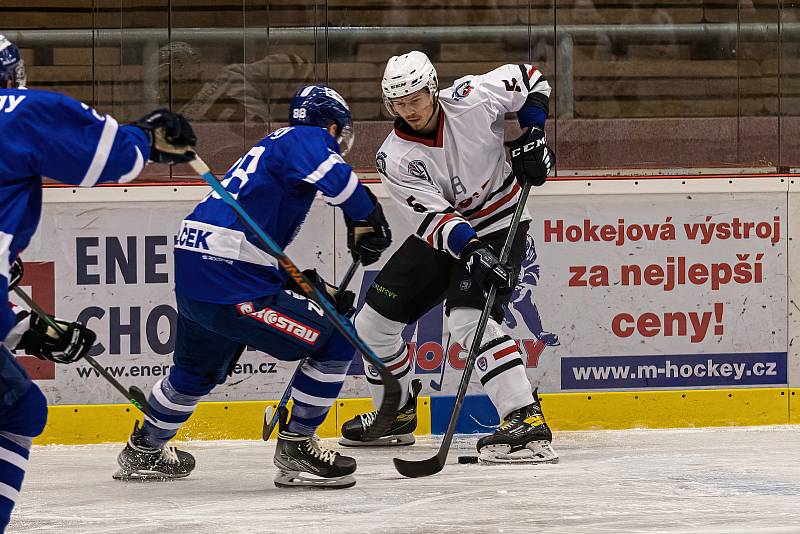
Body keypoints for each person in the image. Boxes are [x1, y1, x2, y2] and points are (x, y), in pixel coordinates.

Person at [113, 85, 392, 489]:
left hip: (201, 262)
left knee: (193, 373)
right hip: (229, 272)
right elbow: (338, 180)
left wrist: (304, 289)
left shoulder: (269, 149)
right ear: (333, 127)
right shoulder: (305, 137)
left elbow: (247, 234)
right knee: (337, 337)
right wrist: (368, 216)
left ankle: (145, 450)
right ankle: (297, 447)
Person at [0, 34, 196, 532]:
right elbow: (111, 159)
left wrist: (25, 330)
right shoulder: (18, 111)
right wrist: (146, 137)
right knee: (19, 412)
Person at [340, 50, 559, 465]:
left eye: (416, 98)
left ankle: (525, 417)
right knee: (372, 324)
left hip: (500, 219)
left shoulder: (473, 96)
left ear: (432, 88)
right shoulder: (394, 157)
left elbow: (531, 78)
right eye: (398, 103)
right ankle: (398, 412)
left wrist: (533, 133)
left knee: (467, 318)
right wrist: (472, 250)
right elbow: (436, 220)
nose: (409, 109)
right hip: (449, 234)